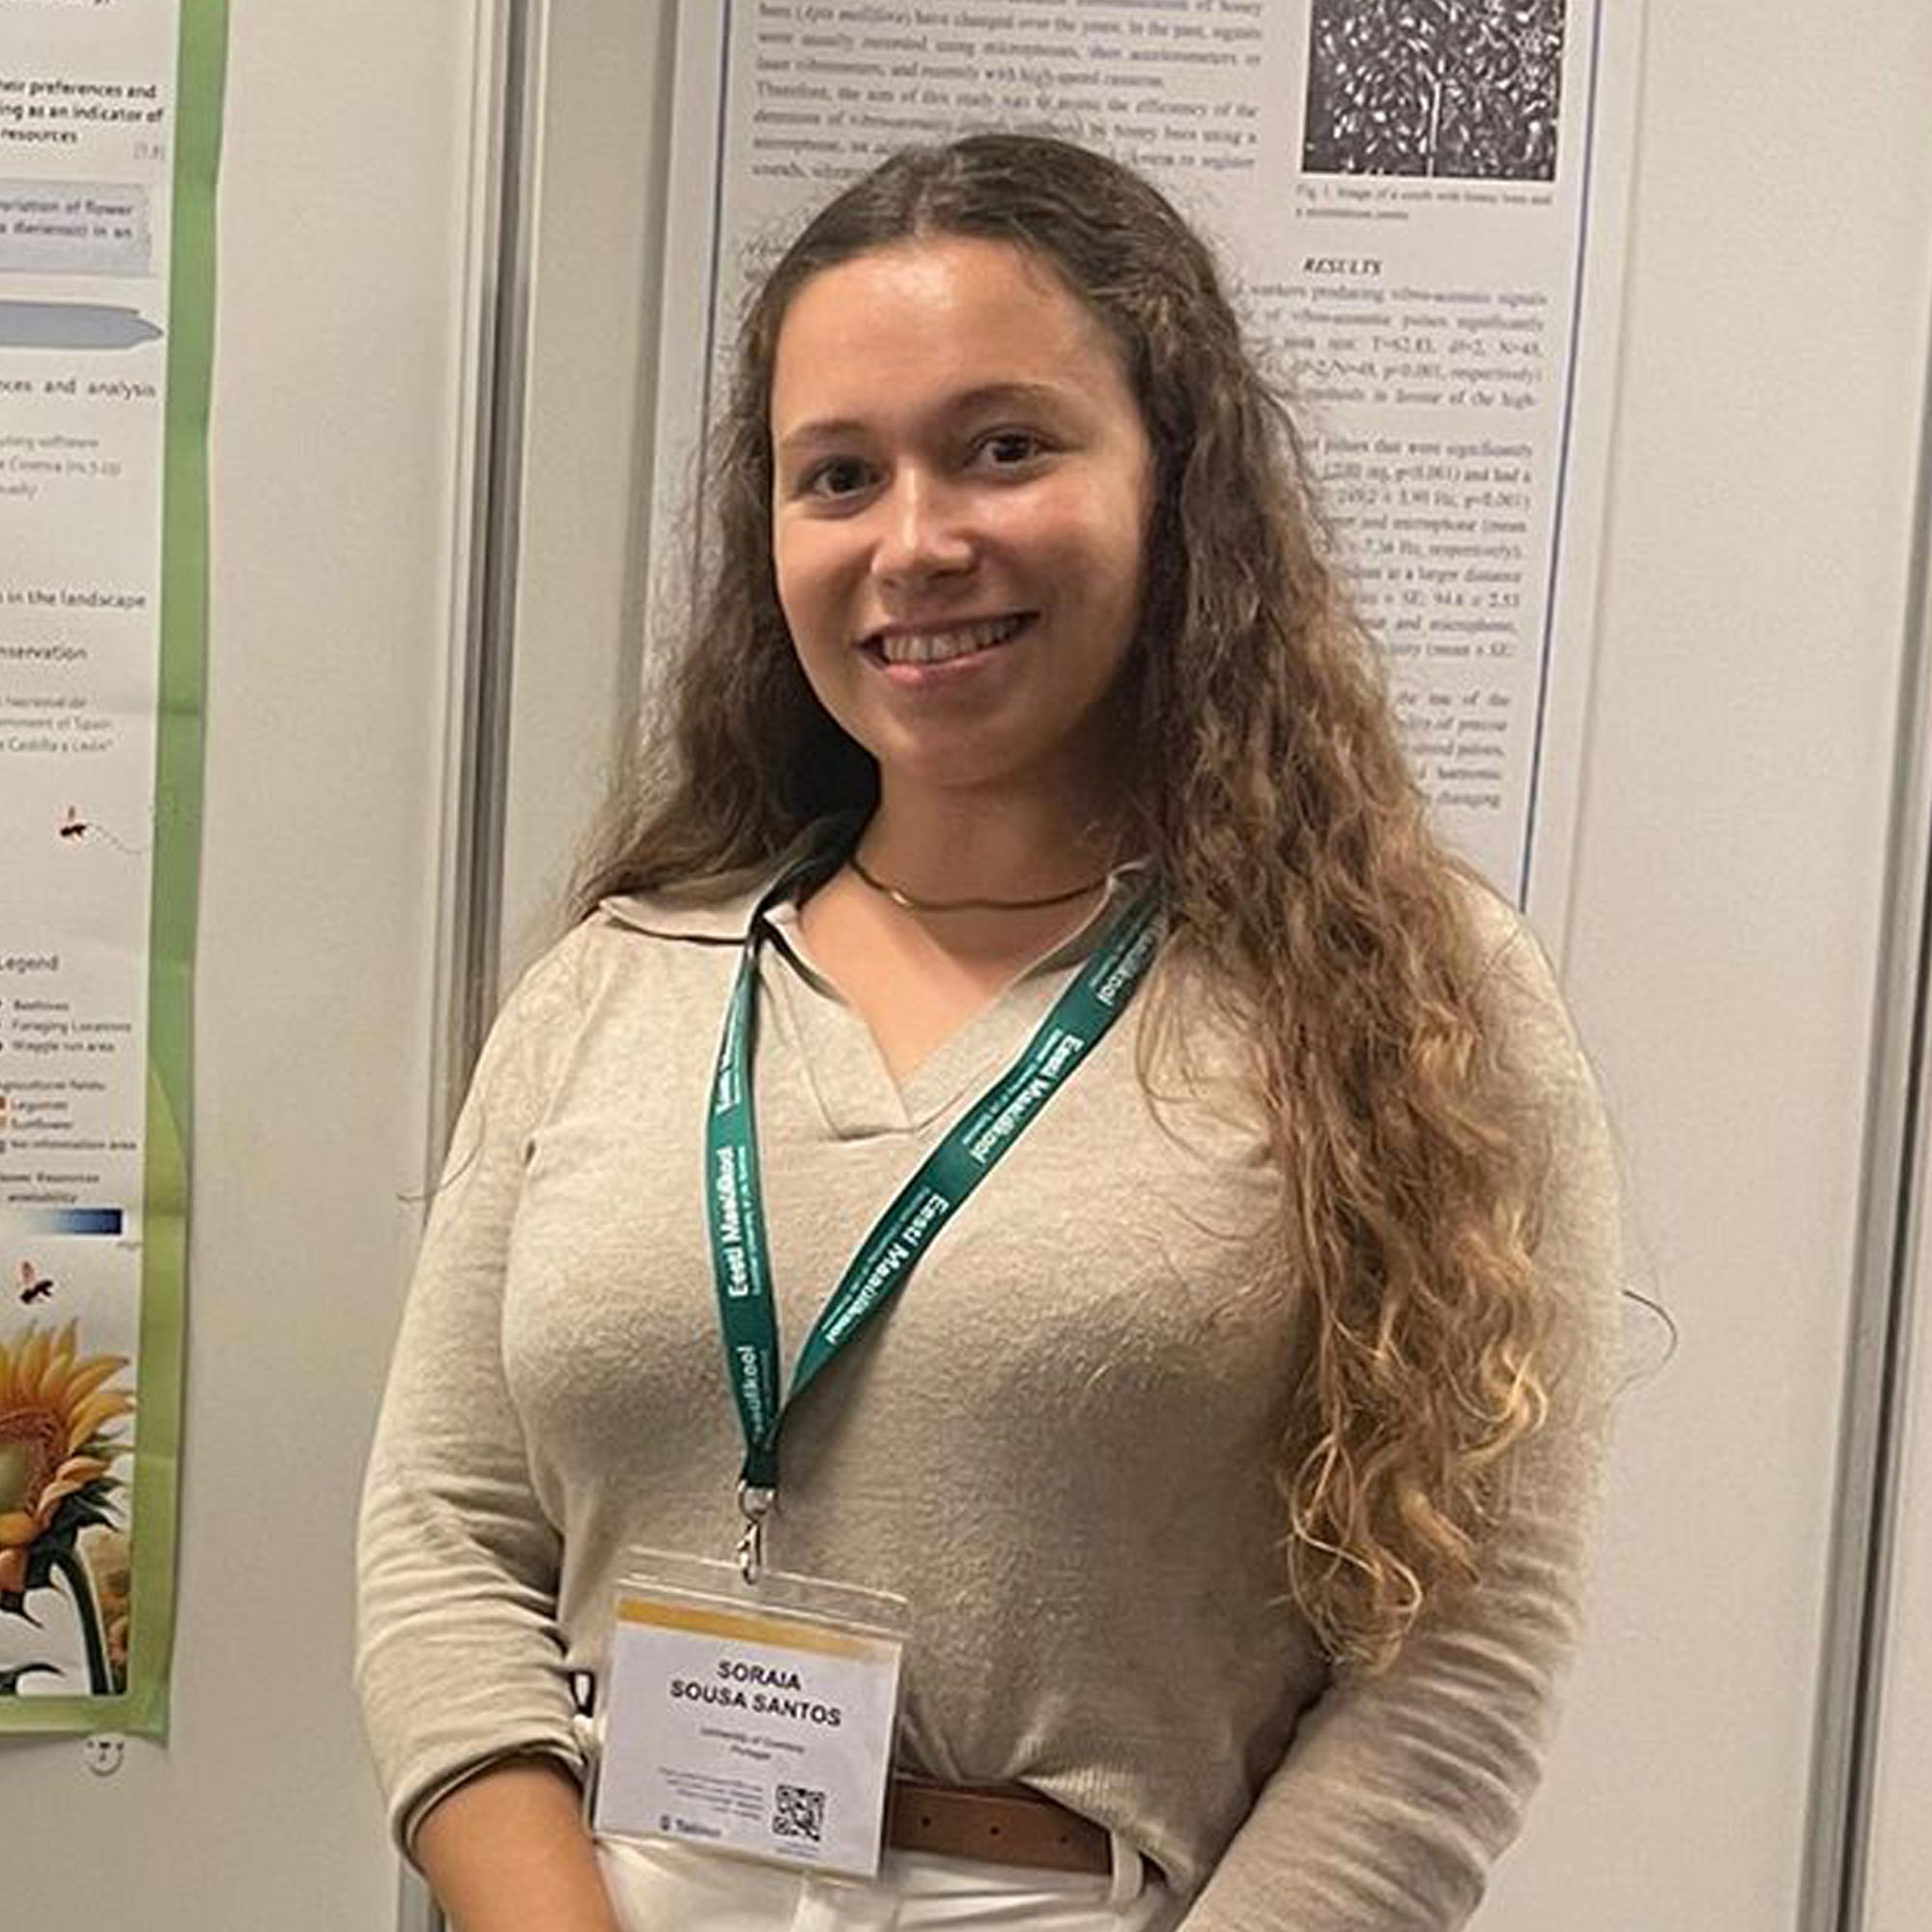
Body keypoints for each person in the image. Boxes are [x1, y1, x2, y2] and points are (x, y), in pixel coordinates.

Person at [355, 132, 1624, 1932]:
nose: (918, 541)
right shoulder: (617, 986)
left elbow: (1459, 1660)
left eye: (1005, 447)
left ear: (1175, 482)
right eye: (839, 475)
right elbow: (444, 1543)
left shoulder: (1412, 1005)